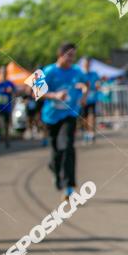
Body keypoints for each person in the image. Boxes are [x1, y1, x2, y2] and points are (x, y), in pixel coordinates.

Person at [42, 42, 87, 199]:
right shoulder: (48, 70)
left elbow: (86, 83)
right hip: (51, 116)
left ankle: (68, 187)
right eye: (68, 55)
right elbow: (34, 91)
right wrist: (54, 95)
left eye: (73, 56)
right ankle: (54, 168)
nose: (71, 59)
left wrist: (84, 92)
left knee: (67, 146)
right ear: (60, 55)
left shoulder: (77, 71)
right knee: (56, 151)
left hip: (69, 114)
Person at [0, 66, 16, 148]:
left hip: (7, 107)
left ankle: (7, 139)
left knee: (6, 124)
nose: (3, 74)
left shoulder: (10, 83)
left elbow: (15, 93)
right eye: (2, 72)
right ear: (0, 73)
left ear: (6, 73)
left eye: (5, 72)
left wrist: (11, 91)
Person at [81, 58, 100, 142]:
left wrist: (97, 85)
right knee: (84, 117)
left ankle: (92, 133)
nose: (87, 65)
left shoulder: (94, 74)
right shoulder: (80, 74)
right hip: (82, 99)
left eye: (88, 63)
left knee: (92, 115)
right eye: (86, 63)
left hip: (92, 98)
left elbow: (97, 83)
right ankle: (86, 132)